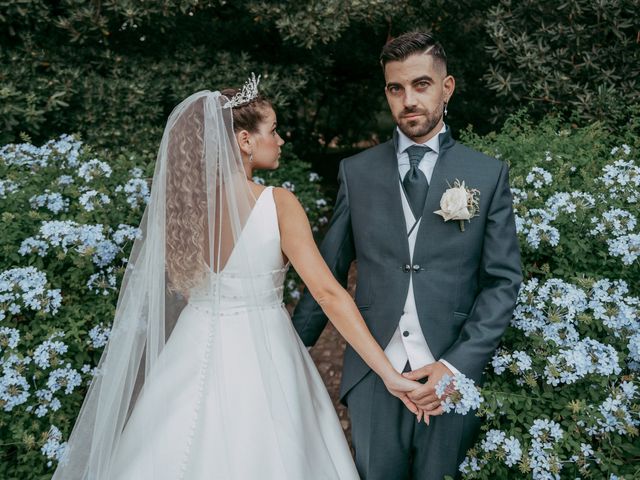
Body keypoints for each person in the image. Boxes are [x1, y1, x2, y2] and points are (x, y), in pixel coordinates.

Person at [52, 77, 421, 479]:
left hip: (189, 349)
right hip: (262, 348)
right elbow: (329, 294)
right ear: (245, 140)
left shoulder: (185, 212)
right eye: (274, 130)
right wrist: (389, 373)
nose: (280, 140)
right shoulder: (277, 203)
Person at [292, 32, 523, 480]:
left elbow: (502, 281)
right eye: (396, 89)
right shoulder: (356, 172)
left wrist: (456, 364)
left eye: (421, 85)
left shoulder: (486, 174)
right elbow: (327, 271)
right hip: (374, 375)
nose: (408, 100)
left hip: (451, 375)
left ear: (446, 88)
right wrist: (288, 346)